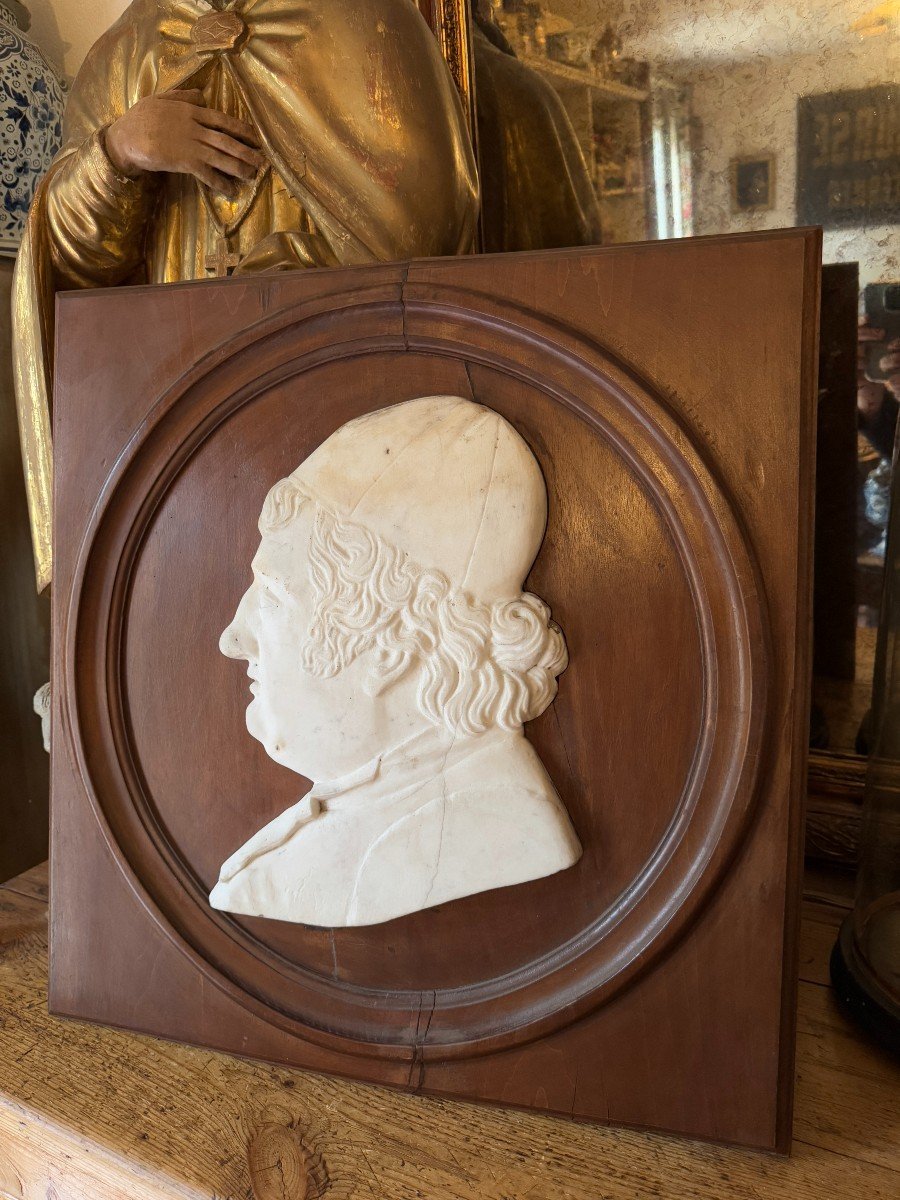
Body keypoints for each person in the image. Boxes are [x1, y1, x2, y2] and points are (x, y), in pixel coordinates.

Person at [14, 0, 479, 591]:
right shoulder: (126, 53)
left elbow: (426, 227)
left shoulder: (362, 19)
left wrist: (275, 287)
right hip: (180, 432)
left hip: (339, 398)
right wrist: (118, 154)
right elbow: (74, 276)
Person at [210, 395, 582, 927]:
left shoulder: (483, 828)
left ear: (387, 651)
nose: (232, 638)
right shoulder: (371, 797)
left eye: (272, 595)